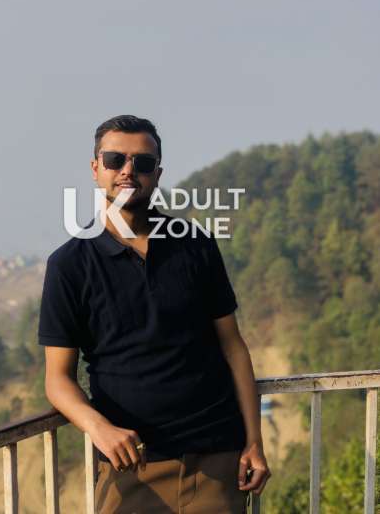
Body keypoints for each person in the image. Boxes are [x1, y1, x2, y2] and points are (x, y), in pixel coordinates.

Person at [38, 115, 271, 513]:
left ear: (157, 174)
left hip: (217, 461)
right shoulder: (70, 265)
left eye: (143, 163)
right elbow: (58, 379)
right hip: (131, 467)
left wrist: (254, 441)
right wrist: (98, 428)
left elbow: (233, 347)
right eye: (115, 160)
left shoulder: (195, 246)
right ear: (95, 169)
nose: (128, 171)